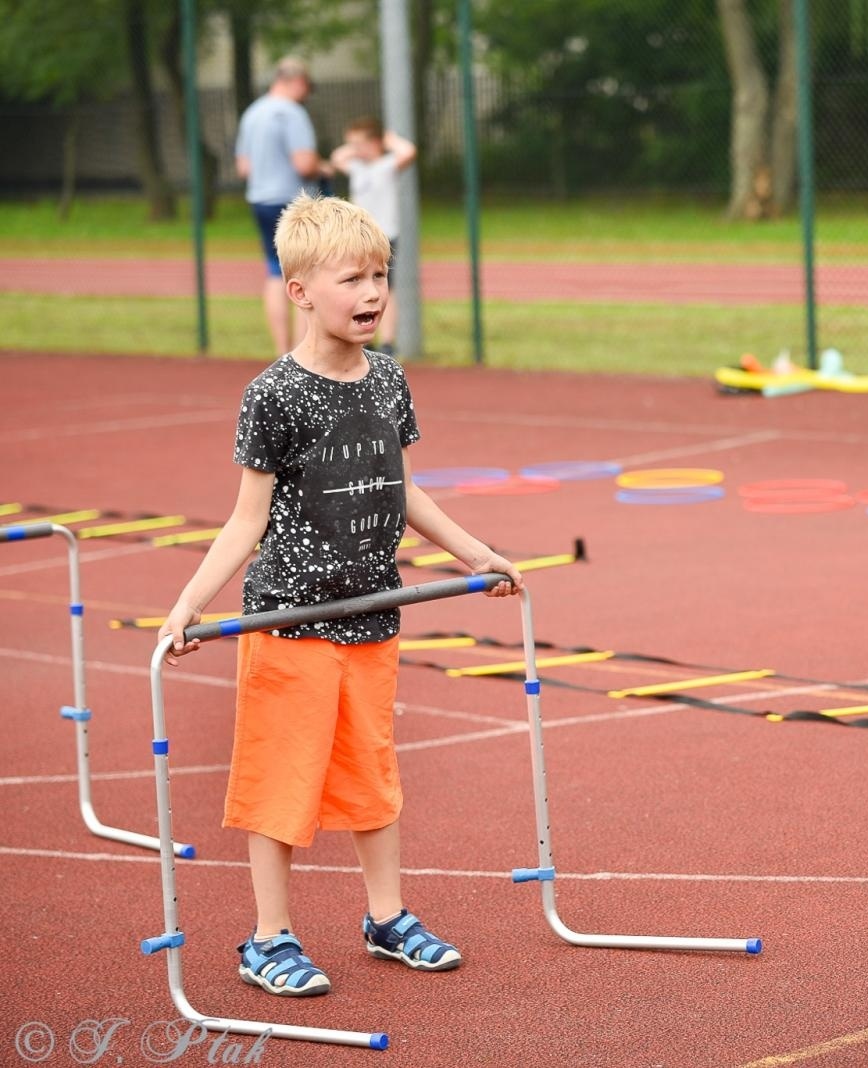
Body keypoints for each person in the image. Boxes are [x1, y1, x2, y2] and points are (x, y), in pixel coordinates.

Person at [158, 193, 524, 997]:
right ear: (299, 292)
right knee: (281, 782)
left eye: (381, 276)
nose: (371, 293)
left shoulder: (388, 380)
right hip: (291, 624)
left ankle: (386, 917)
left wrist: (477, 553)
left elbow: (407, 491)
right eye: (352, 278)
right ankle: (269, 937)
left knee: (372, 776)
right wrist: (186, 605)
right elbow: (246, 519)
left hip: (372, 614)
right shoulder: (273, 395)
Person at [235, 57, 330, 356]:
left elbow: (243, 167)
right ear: (298, 81)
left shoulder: (252, 112)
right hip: (293, 203)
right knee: (308, 276)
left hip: (260, 199)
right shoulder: (292, 113)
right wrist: (323, 168)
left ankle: (281, 352)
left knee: (276, 273)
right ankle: (304, 353)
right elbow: (304, 163)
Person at [331, 119, 418, 357]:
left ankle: (387, 340)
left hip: (384, 236)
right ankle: (364, 336)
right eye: (353, 145)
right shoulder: (358, 167)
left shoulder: (386, 165)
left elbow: (408, 152)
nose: (356, 150)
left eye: (361, 144)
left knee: (385, 288)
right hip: (359, 236)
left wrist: (390, 140)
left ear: (376, 143)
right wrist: (354, 147)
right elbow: (337, 157)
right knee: (357, 286)